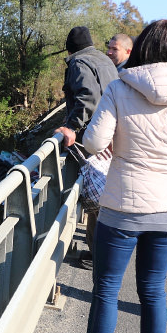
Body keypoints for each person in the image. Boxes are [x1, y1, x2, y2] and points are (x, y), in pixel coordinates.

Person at [49, 20, 167, 333]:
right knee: (153, 289)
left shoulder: (122, 88)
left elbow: (94, 142)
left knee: (106, 287)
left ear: (141, 49)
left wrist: (119, 147)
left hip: (123, 205)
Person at [55, 26, 118, 270]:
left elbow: (87, 97)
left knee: (95, 195)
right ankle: (100, 253)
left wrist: (71, 126)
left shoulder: (78, 62)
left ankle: (99, 256)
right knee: (103, 193)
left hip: (91, 137)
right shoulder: (105, 60)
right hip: (111, 134)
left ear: (70, 49)